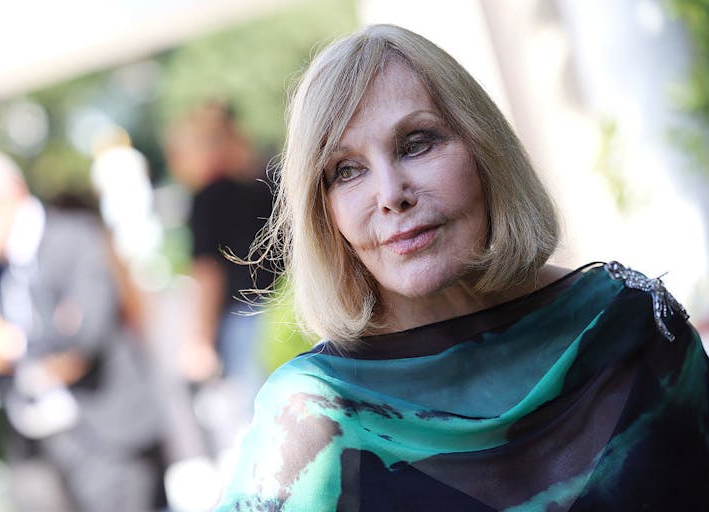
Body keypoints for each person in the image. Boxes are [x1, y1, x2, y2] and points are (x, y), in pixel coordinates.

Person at [215, 24, 709, 511]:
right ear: (323, 211)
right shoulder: (314, 415)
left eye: (416, 143)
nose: (390, 195)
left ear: (484, 149)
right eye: (347, 170)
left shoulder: (631, 323)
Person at [0, 149, 165, 512]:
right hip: (39, 448)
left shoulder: (73, 238)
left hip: (107, 436)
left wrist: (12, 346)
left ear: (11, 193)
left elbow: (84, 337)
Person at [165, 102, 274, 446]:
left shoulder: (208, 198)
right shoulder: (265, 182)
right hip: (280, 314)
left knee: (251, 428)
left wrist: (198, 339)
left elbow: (208, 273)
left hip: (240, 320)